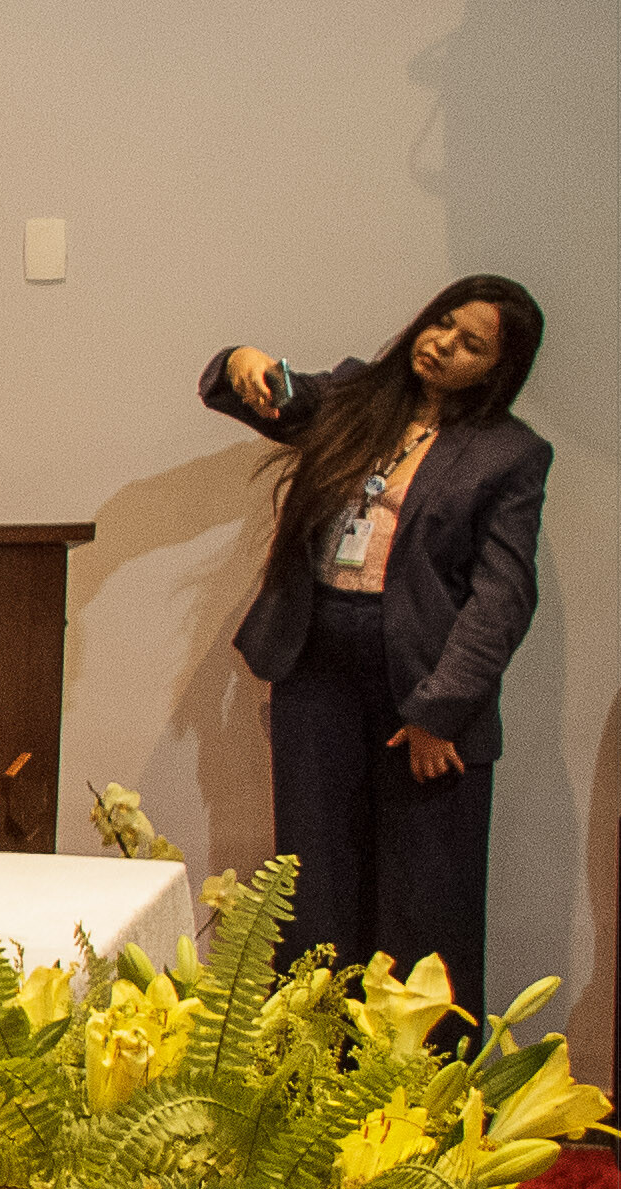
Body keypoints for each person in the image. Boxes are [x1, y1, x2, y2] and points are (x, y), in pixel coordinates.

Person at [201, 274, 548, 1013]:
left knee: (424, 906)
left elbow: (503, 598)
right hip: (317, 661)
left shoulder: (510, 455)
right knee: (314, 889)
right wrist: (242, 359)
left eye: (470, 344)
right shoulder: (357, 395)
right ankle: (310, 1081)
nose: (442, 344)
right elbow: (264, 389)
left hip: (424, 684)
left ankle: (423, 1101)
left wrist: (439, 712)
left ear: (498, 368)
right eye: (441, 323)